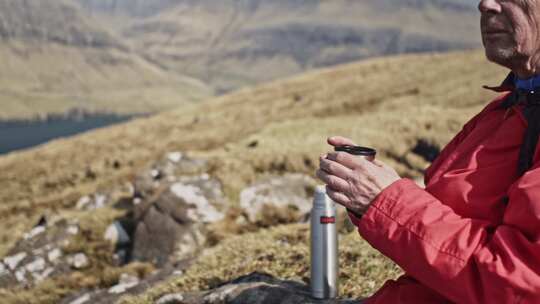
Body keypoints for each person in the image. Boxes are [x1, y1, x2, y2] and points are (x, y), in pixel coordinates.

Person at [316, 0, 540, 303]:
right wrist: (369, 194)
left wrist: (386, 202)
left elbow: (521, 283)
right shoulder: (505, 109)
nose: (484, 4)